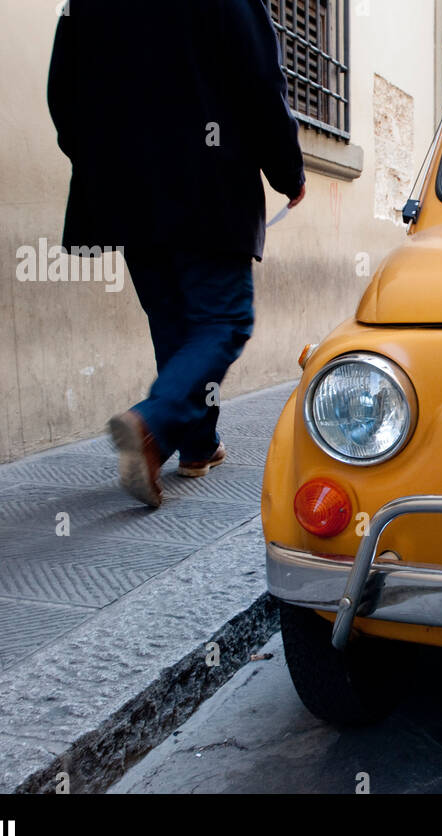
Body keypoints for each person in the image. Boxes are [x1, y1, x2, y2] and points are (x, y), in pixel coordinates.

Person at [47, 0, 306, 507]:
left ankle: (196, 444)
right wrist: (288, 171)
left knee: (174, 324)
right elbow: (260, 81)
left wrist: (102, 157)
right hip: (206, 183)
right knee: (223, 320)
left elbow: (63, 93)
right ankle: (152, 425)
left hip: (126, 190)